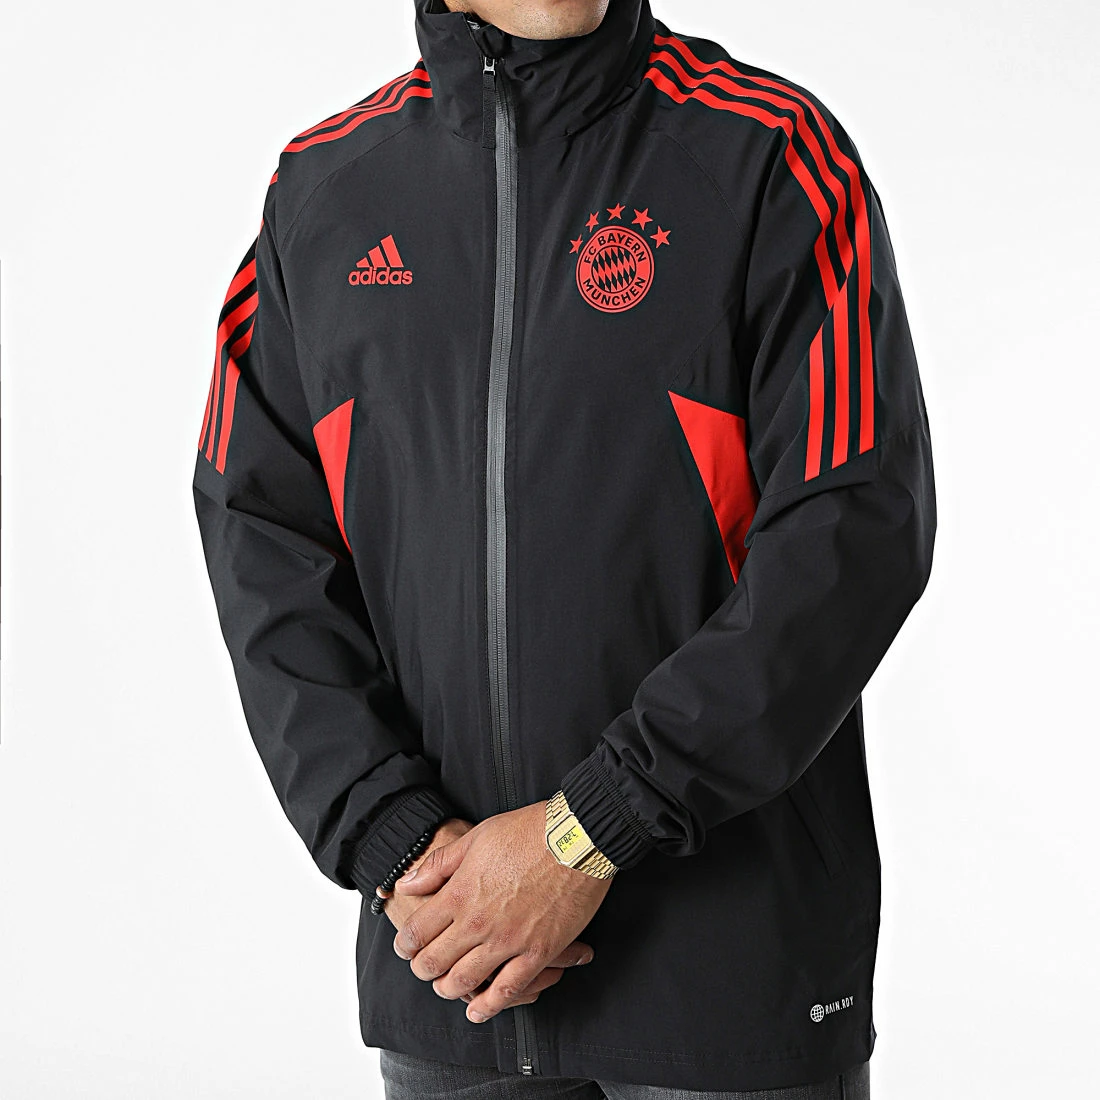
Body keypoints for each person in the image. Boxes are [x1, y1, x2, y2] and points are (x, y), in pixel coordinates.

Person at [192, 0, 935, 1096]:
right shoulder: (323, 191)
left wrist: (590, 829)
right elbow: (259, 536)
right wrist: (395, 838)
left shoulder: (769, 154)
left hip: (727, 985)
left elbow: (853, 528)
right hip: (452, 972)